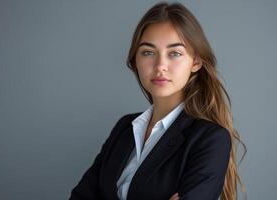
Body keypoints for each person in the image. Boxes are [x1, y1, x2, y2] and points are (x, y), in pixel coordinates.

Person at [69, 1, 246, 200]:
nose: (160, 65)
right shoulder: (124, 128)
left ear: (196, 62)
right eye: (148, 52)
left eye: (175, 53)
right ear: (135, 60)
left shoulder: (209, 139)